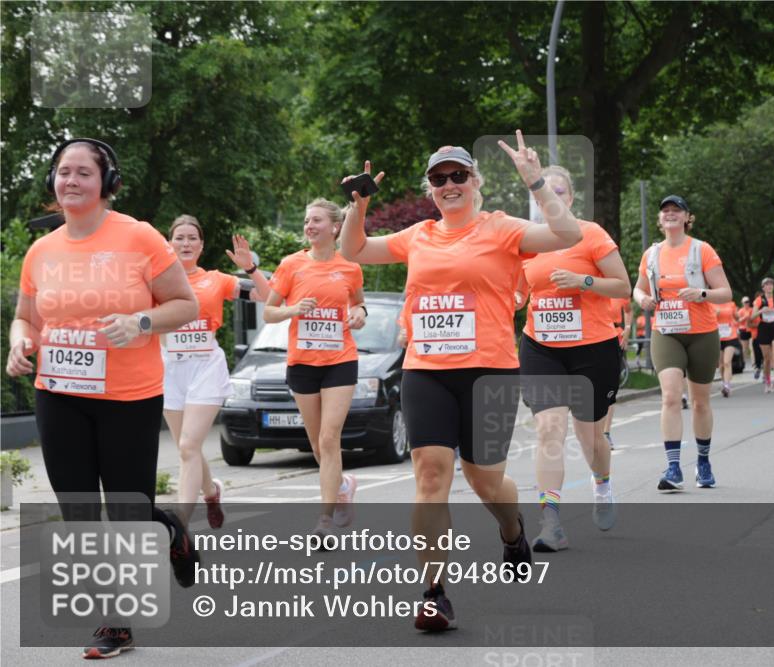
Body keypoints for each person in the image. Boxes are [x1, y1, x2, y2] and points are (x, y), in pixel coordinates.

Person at [339, 133, 583, 631]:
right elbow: (355, 249)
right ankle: (434, 594)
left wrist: (536, 181)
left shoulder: (503, 229)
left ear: (475, 182)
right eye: (439, 178)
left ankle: (512, 530)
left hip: (488, 372)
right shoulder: (419, 235)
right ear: (430, 190)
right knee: (431, 477)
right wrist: (358, 205)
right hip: (426, 371)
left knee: (485, 479)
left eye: (458, 176)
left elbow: (568, 236)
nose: (449, 184)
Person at [5, 138, 200, 659]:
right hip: (59, 394)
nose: (71, 181)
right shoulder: (41, 250)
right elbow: (26, 315)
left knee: (129, 512)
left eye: (83, 173)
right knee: (80, 514)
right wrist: (19, 342)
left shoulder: (138, 237)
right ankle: (115, 623)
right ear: (52, 182)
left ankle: (173, 534)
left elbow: (185, 304)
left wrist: (140, 321)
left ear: (106, 182)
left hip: (129, 397)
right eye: (63, 172)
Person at [517, 165, 631, 551]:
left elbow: (623, 285)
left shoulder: (591, 234)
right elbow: (515, 291)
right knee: (549, 429)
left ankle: (602, 483)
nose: (553, 198)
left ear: (570, 197)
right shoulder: (527, 242)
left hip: (593, 349)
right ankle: (551, 522)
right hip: (541, 347)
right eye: (545, 193)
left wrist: (583, 281)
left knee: (591, 439)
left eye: (561, 192)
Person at [263, 199, 366, 539]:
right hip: (303, 363)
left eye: (317, 220)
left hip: (340, 360)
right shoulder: (292, 264)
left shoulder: (349, 266)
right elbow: (269, 312)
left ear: (335, 227)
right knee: (316, 442)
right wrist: (293, 310)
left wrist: (360, 315)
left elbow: (358, 303)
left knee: (329, 436)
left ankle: (324, 521)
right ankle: (342, 486)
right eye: (307, 220)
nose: (309, 225)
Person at [162, 216, 271, 530]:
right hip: (169, 368)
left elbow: (267, 296)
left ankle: (180, 524)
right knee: (189, 446)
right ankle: (210, 491)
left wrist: (250, 268)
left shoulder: (216, 279)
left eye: (191, 238)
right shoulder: (156, 281)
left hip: (205, 366)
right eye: (179, 238)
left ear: (201, 245)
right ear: (169, 244)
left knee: (187, 446)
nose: (185, 243)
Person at [633, 195, 732, 492]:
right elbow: (637, 290)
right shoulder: (651, 255)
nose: (670, 214)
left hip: (701, 333)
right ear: (660, 220)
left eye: (677, 211)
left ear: (688, 218)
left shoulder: (702, 250)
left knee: (701, 401)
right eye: (665, 211)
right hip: (666, 331)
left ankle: (703, 462)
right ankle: (673, 467)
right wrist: (644, 300)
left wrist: (701, 294)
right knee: (671, 397)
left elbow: (725, 292)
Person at [602, 296, 632, 450]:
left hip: (614, 337)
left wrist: (627, 328)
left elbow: (628, 309)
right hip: (591, 338)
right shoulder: (589, 285)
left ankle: (605, 433)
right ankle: (592, 433)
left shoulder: (618, 289)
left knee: (609, 388)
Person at [750, 278, 774, 394]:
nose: (770, 286)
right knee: (766, 359)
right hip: (764, 328)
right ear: (763, 287)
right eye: (767, 284)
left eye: (771, 284)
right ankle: (767, 381)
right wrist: (761, 311)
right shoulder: (759, 300)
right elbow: (752, 316)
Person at [715, 298, 740, 397]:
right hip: (718, 337)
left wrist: (737, 315)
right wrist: (714, 314)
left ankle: (727, 386)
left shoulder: (731, 304)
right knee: (721, 365)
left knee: (727, 362)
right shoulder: (711, 304)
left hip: (731, 335)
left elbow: (737, 318)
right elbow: (707, 319)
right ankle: (724, 382)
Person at [737, 296, 752, 362]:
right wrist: (745, 317)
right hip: (743, 330)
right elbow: (738, 321)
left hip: (751, 329)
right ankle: (742, 362)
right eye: (745, 302)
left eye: (748, 301)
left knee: (752, 347)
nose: (747, 303)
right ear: (742, 303)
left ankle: (755, 363)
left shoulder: (752, 309)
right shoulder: (740, 311)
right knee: (744, 348)